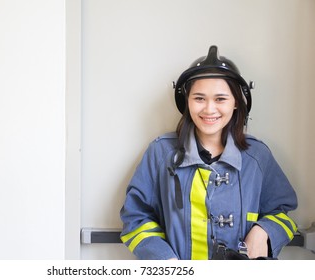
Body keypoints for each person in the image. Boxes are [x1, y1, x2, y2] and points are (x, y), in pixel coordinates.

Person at [119, 45, 298, 260]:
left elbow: (282, 211)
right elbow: (135, 217)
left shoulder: (257, 156)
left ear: (235, 104)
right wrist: (167, 263)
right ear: (187, 101)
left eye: (220, 99)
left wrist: (264, 231)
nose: (209, 109)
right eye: (199, 98)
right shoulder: (160, 153)